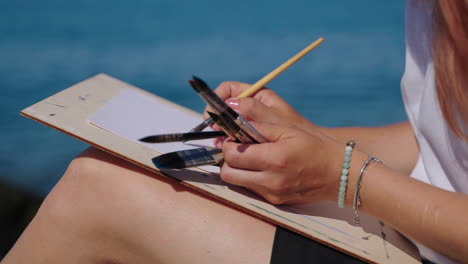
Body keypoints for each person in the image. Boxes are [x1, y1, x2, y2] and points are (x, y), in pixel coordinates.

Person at [2, 0, 467, 263]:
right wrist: (309, 136)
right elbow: (439, 141)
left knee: (96, 191)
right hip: (412, 231)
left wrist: (343, 176)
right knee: (99, 173)